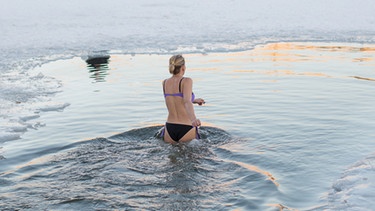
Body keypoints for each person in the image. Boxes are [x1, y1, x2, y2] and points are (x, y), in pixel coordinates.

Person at [161, 54, 205, 144]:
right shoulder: (186, 81)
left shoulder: (165, 82)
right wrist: (193, 119)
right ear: (183, 67)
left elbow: (175, 99)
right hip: (186, 127)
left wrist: (195, 100)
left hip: (170, 127)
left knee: (172, 157)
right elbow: (186, 101)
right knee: (189, 157)